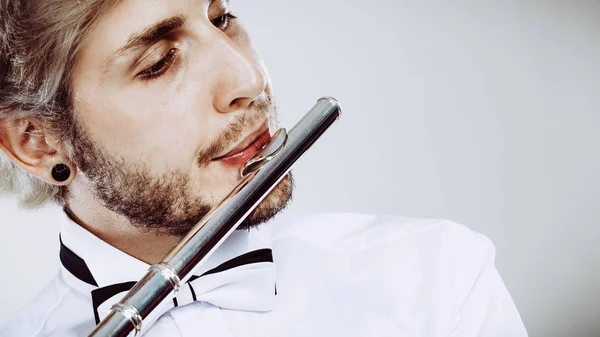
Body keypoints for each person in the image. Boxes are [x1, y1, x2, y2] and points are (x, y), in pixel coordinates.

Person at [0, 0, 528, 336]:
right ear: (38, 142)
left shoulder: (434, 277)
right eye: (159, 62)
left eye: (221, 18)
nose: (249, 79)